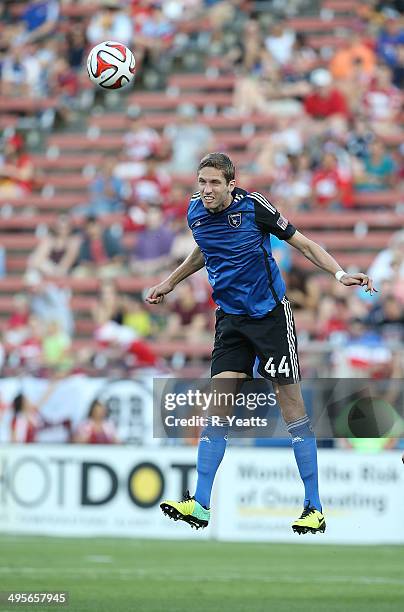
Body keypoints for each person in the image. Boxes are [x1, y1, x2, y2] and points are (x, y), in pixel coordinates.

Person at [146, 152, 377, 534]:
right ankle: (201, 503)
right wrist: (171, 282)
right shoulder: (195, 213)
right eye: (201, 182)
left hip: (270, 317)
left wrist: (339, 274)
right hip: (231, 321)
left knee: (293, 412)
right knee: (217, 408)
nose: (206, 190)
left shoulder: (255, 208)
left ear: (231, 185)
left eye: (214, 183)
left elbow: (303, 244)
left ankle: (314, 506)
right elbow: (205, 249)